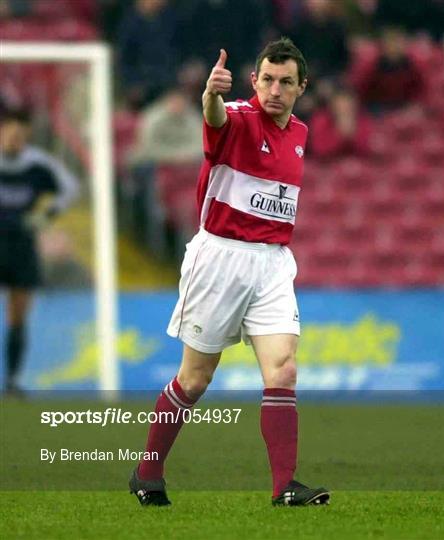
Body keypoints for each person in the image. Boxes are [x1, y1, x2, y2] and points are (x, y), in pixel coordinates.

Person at [129, 37, 330, 507]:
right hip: (221, 257)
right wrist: (210, 95)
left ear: (302, 86)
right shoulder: (236, 117)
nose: (273, 89)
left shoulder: (299, 133)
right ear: (253, 81)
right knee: (195, 380)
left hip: (274, 261)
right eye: (266, 79)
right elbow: (214, 116)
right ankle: (147, 472)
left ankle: (284, 488)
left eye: (285, 82)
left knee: (283, 370)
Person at [0, 108, 80, 394]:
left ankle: (12, 380)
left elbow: (70, 188)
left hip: (21, 244)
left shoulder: (37, 165)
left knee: (18, 313)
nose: (14, 138)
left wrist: (48, 215)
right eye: (9, 131)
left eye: (20, 134)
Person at [352, 26, 426, 113]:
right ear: (384, 46)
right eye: (391, 43)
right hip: (377, 108)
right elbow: (361, 90)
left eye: (399, 43)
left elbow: (419, 90)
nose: (395, 47)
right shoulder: (373, 66)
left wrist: (415, 105)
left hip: (404, 106)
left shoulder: (411, 65)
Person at [309, 87, 372, 159]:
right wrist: (339, 136)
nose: (344, 108)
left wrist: (353, 135)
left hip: (359, 164)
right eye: (340, 104)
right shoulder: (320, 119)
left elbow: (367, 150)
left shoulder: (363, 119)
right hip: (327, 165)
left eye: (348, 104)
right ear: (332, 104)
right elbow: (319, 150)